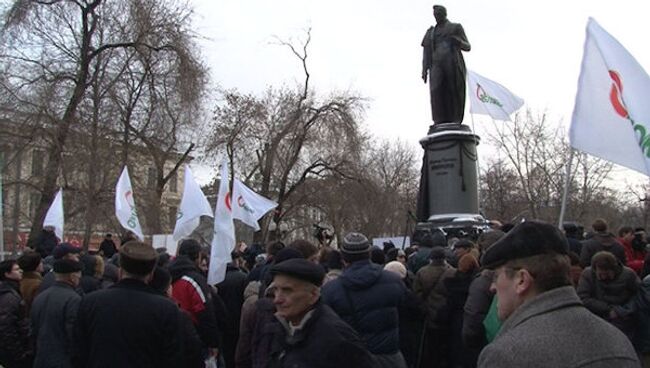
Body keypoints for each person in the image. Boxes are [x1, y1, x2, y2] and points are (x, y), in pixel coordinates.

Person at [477, 221, 639, 367]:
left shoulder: (505, 355)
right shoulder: (618, 341)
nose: (492, 287)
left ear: (522, 280)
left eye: (496, 276)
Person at [75, 241, 184, 367]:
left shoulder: (91, 302)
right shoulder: (166, 309)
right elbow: (173, 358)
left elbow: (78, 353)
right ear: (150, 275)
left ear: (120, 271)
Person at [267, 258, 375, 368]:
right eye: (275, 290)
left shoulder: (336, 338)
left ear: (313, 295)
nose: (277, 299)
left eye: (287, 290)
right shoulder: (281, 328)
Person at [322, 232, 408, 368]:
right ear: (369, 254)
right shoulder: (394, 281)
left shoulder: (331, 290)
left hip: (353, 360)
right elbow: (407, 313)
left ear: (343, 258)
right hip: (390, 358)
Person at [168, 239, 221, 359]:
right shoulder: (194, 279)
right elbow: (205, 311)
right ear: (197, 256)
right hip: (195, 339)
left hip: (171, 337)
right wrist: (213, 342)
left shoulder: (167, 276)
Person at [421, 5, 470, 125]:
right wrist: (424, 69)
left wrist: (458, 41)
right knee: (436, 91)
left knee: (453, 90)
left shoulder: (455, 27)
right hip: (436, 65)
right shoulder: (431, 32)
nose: (436, 17)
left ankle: (455, 119)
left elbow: (467, 46)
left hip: (452, 63)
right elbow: (426, 51)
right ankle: (439, 120)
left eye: (438, 14)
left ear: (444, 14)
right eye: (435, 15)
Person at [30, 258, 83, 368]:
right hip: (63, 360)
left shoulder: (40, 297)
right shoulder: (73, 299)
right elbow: (73, 334)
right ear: (72, 277)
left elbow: (33, 330)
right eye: (79, 275)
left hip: (41, 359)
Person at [577, 251, 640, 340]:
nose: (603, 277)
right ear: (595, 269)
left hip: (624, 316)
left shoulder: (628, 275)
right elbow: (583, 297)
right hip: (596, 316)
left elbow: (638, 295)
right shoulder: (588, 274)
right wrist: (608, 309)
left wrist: (623, 310)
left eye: (607, 274)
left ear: (614, 269)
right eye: (600, 274)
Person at [412, 246, 455, 367]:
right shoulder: (452, 271)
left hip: (430, 315)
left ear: (431, 258)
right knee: (447, 344)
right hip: (448, 315)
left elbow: (417, 295)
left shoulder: (422, 272)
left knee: (431, 347)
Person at [0, 259, 31, 368]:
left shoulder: (12, 291)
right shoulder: (9, 297)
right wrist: (19, 353)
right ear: (7, 274)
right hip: (14, 352)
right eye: (17, 269)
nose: (21, 271)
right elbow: (6, 327)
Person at [17, 250, 43, 315]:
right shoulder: (37, 284)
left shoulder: (21, 281)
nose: (42, 264)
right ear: (36, 266)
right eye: (40, 262)